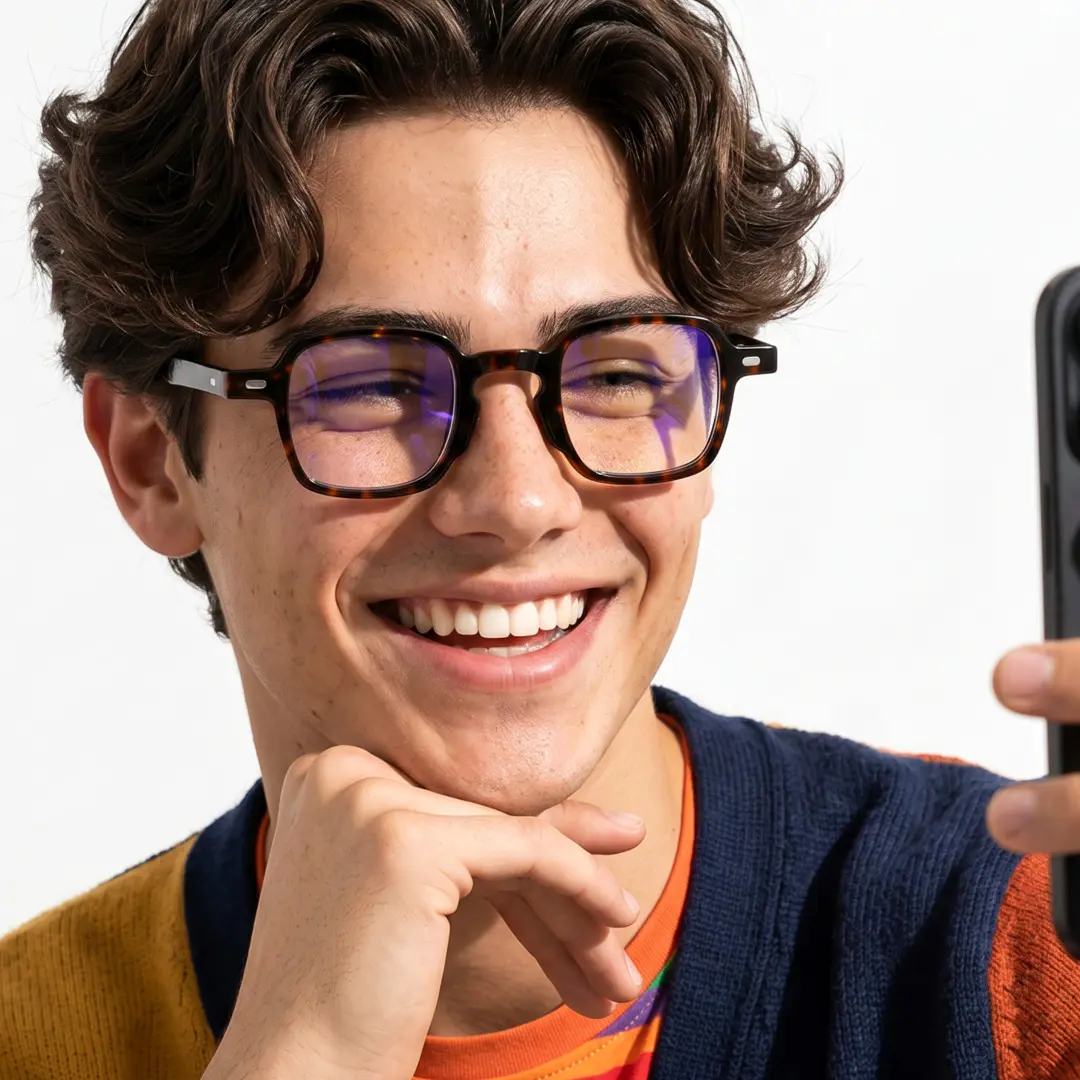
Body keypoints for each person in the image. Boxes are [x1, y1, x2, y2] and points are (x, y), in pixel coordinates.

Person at [2, 0, 1079, 1075]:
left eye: (615, 369)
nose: (518, 500)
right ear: (150, 461)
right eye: (372, 382)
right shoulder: (33, 1031)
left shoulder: (1020, 940)